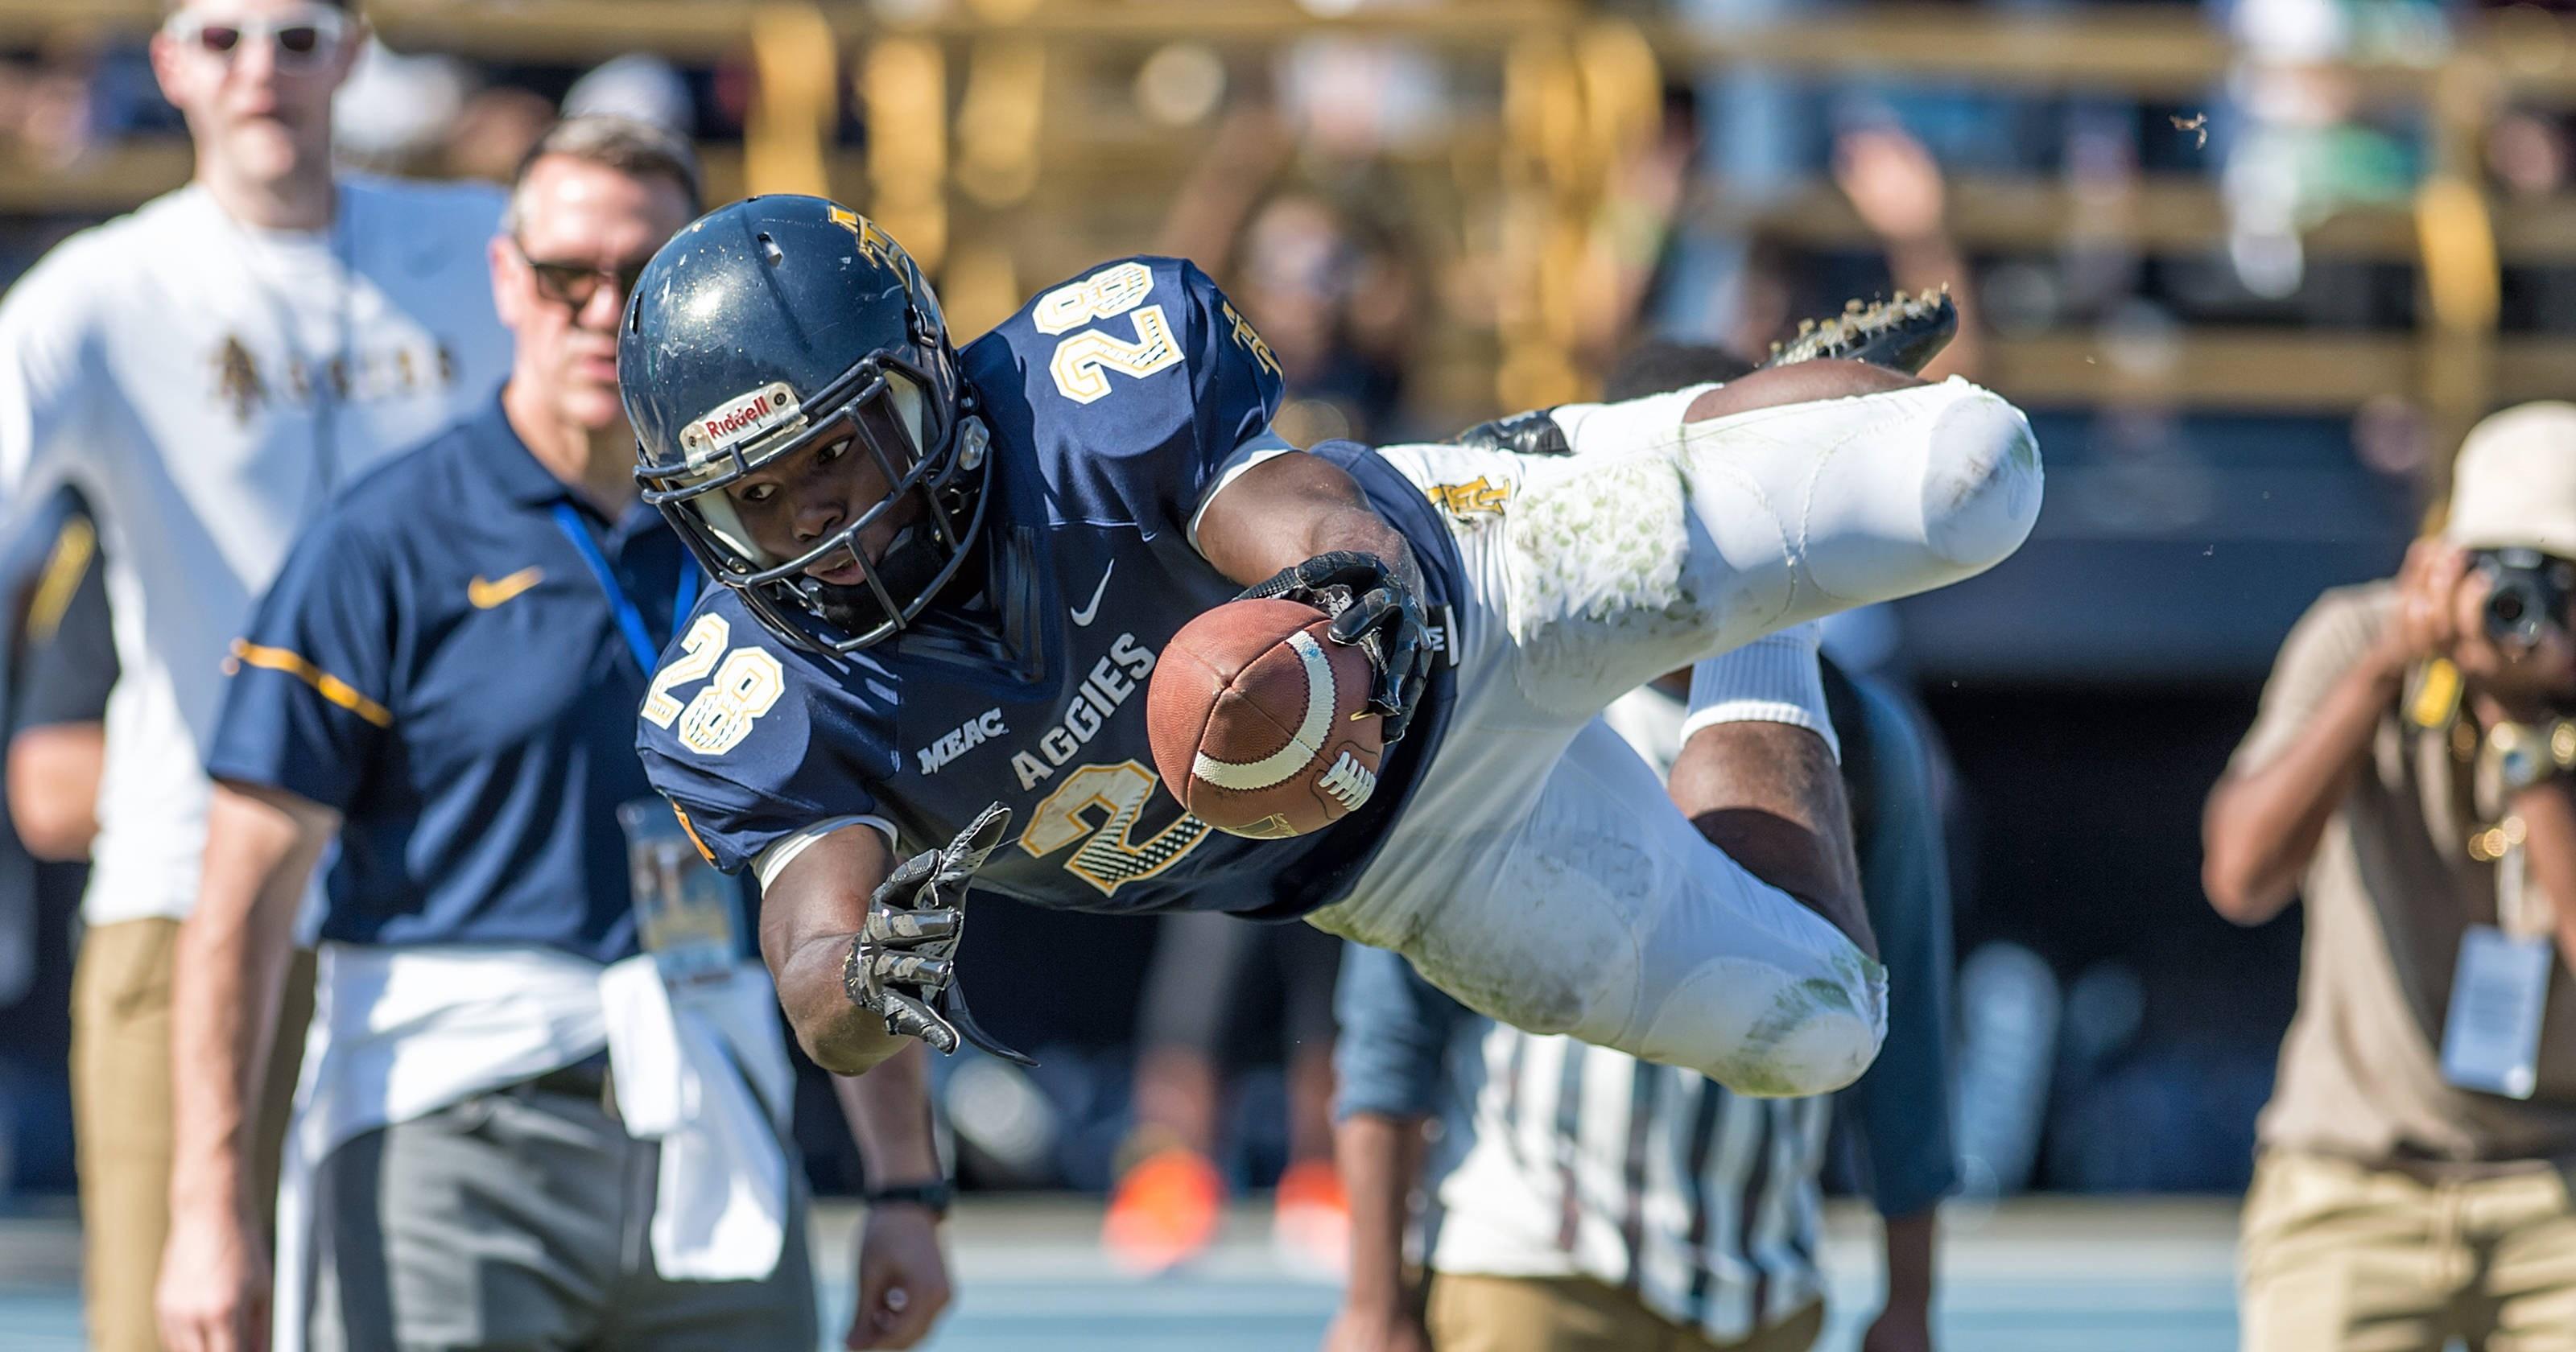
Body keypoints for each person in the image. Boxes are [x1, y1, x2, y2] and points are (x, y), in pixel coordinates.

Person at [615, 195, 2041, 1101]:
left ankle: (1705, 432)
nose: (823, 528)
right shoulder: (749, 702)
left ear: (928, 386)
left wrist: (1339, 591)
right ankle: (1754, 601)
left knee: (1972, 471)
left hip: (1478, 581)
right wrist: (859, 980)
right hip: (1411, 865)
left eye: (842, 459)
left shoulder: (1075, 396)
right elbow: (813, 955)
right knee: (1820, 1028)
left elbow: (1282, 504)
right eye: (762, 497)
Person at [151, 117, 954, 1352]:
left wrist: (904, 1181)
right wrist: (210, 1206)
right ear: (504, 280)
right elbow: (243, 900)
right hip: (452, 1126)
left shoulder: (788, 534)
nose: (599, 310)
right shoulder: (386, 539)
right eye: (565, 274)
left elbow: (860, 866)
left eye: (639, 278)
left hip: (711, 1115)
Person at [0, 3, 512, 1346]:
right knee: (181, 1321)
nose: (259, 70)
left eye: (297, 36)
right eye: (219, 38)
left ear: (352, 54)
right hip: (186, 894)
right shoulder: (98, 292)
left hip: (452, 907)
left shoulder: (482, 248)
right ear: (167, 67)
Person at [1326, 342, 1955, 1352]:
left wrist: (1911, 1296)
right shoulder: (1513, 687)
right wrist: (1371, 1301)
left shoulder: (1860, 734)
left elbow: (1906, 1017)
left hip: (1761, 1280)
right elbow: (1392, 1015)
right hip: (1530, 1266)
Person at [2204, 401, 2576, 1351]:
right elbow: (2239, 876)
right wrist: (2382, 671)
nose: (2528, 619)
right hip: (2351, 1178)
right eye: (2507, 576)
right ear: (2442, 562)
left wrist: (2524, 746)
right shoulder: (2358, 642)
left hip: (2557, 1183)